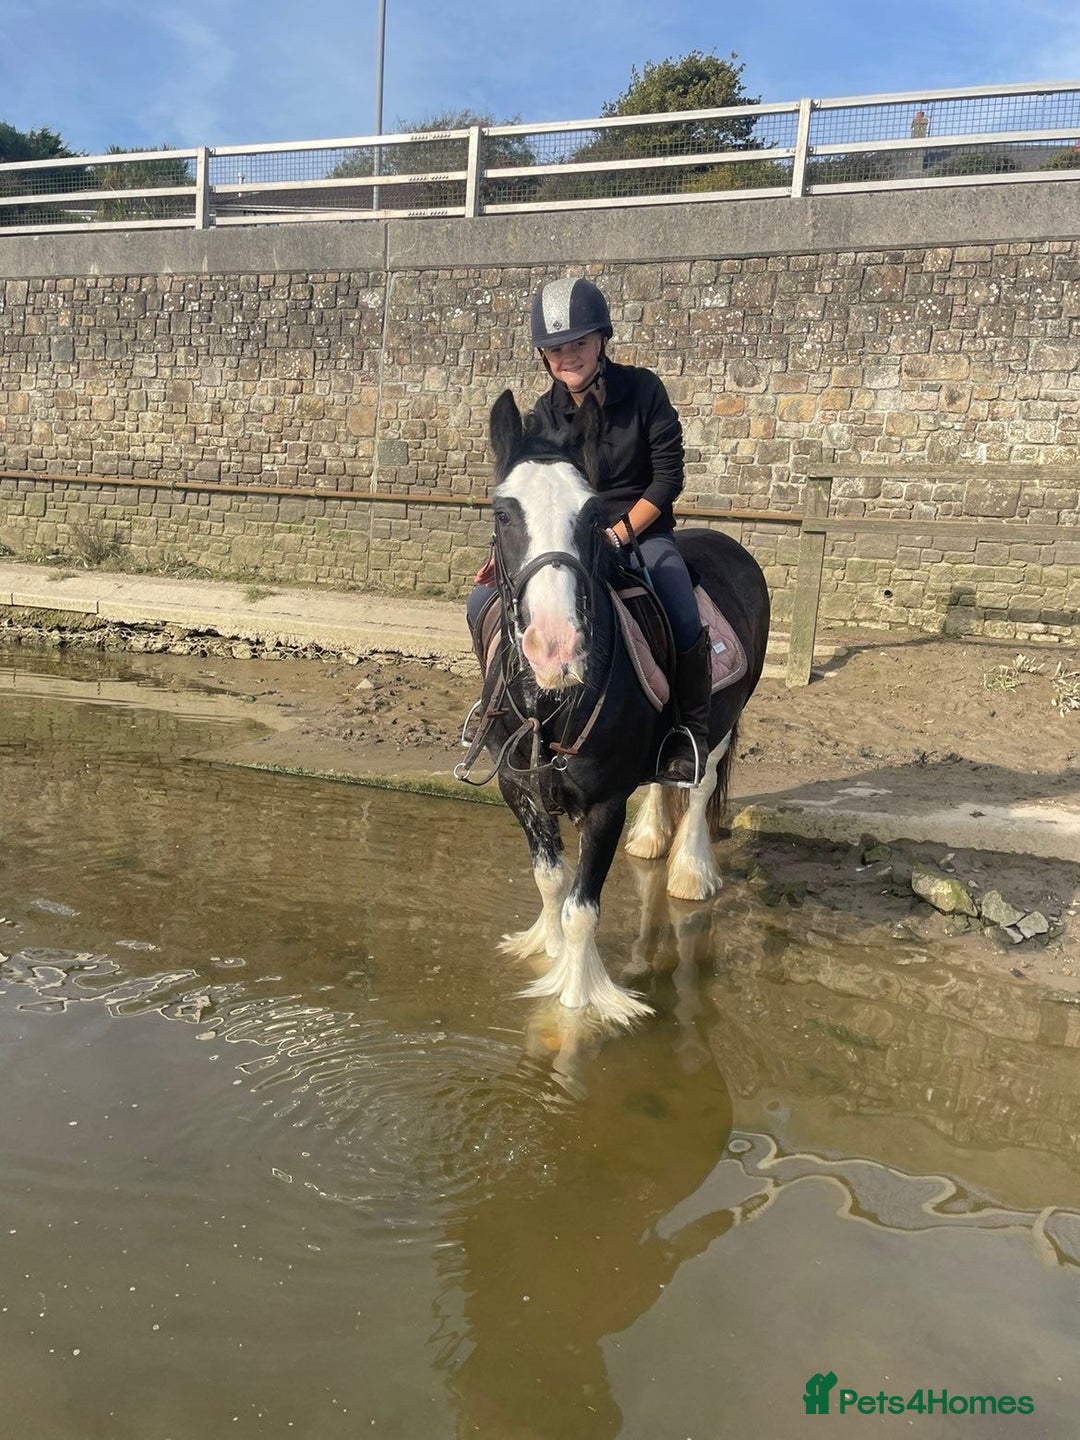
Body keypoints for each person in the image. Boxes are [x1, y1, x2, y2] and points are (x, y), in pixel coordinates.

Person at [469, 275, 711, 785]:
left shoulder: (643, 390)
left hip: (640, 532)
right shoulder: (542, 414)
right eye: (555, 348)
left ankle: (688, 733)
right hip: (568, 541)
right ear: (544, 356)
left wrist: (621, 533)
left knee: (678, 601)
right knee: (479, 604)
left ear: (602, 340)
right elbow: (533, 491)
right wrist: (515, 550)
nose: (568, 356)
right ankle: (496, 708)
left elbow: (669, 475)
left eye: (579, 342)